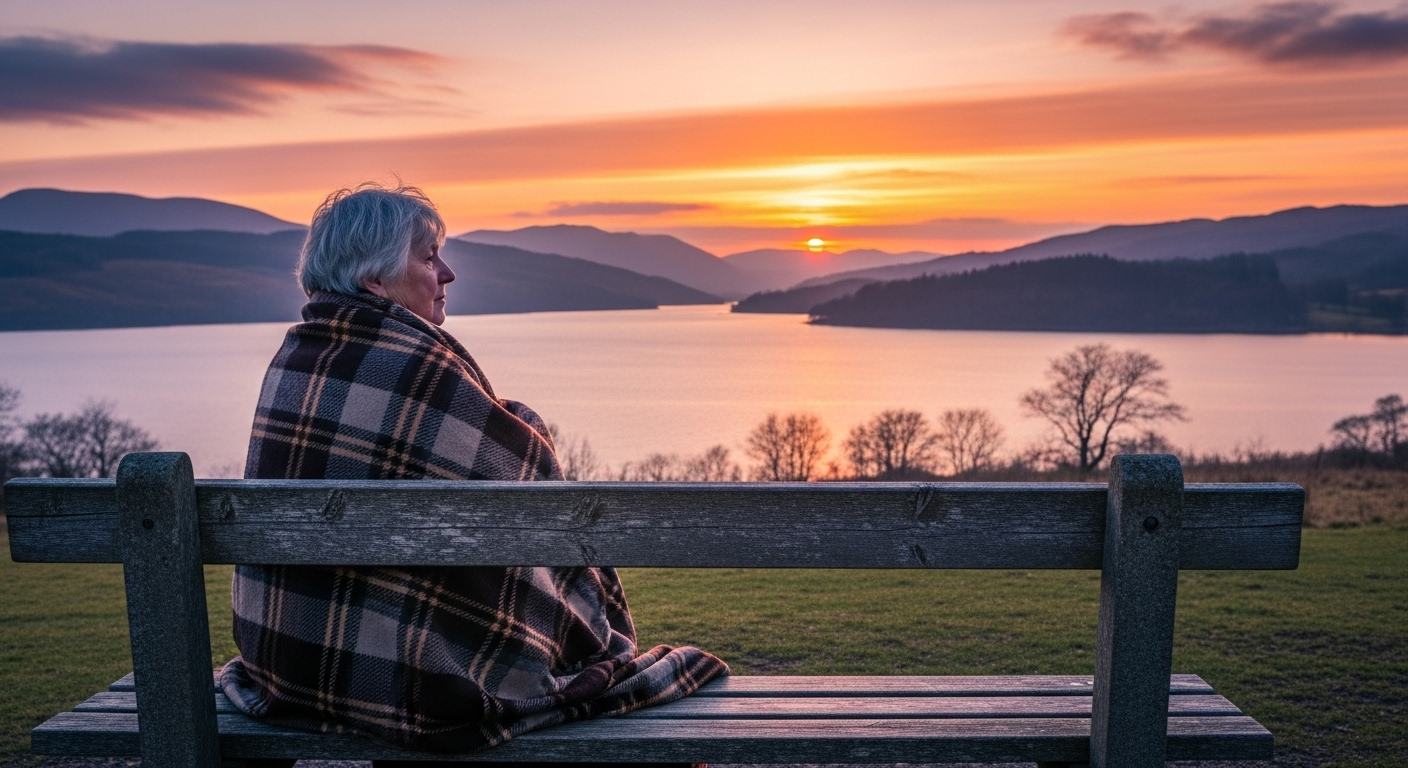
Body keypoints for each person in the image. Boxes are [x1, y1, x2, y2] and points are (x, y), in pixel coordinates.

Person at [219, 184, 727, 757]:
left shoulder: (292, 361)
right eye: (429, 257)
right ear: (375, 280)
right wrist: (520, 421)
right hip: (410, 688)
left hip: (289, 666)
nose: (448, 274)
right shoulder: (421, 371)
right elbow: (530, 481)